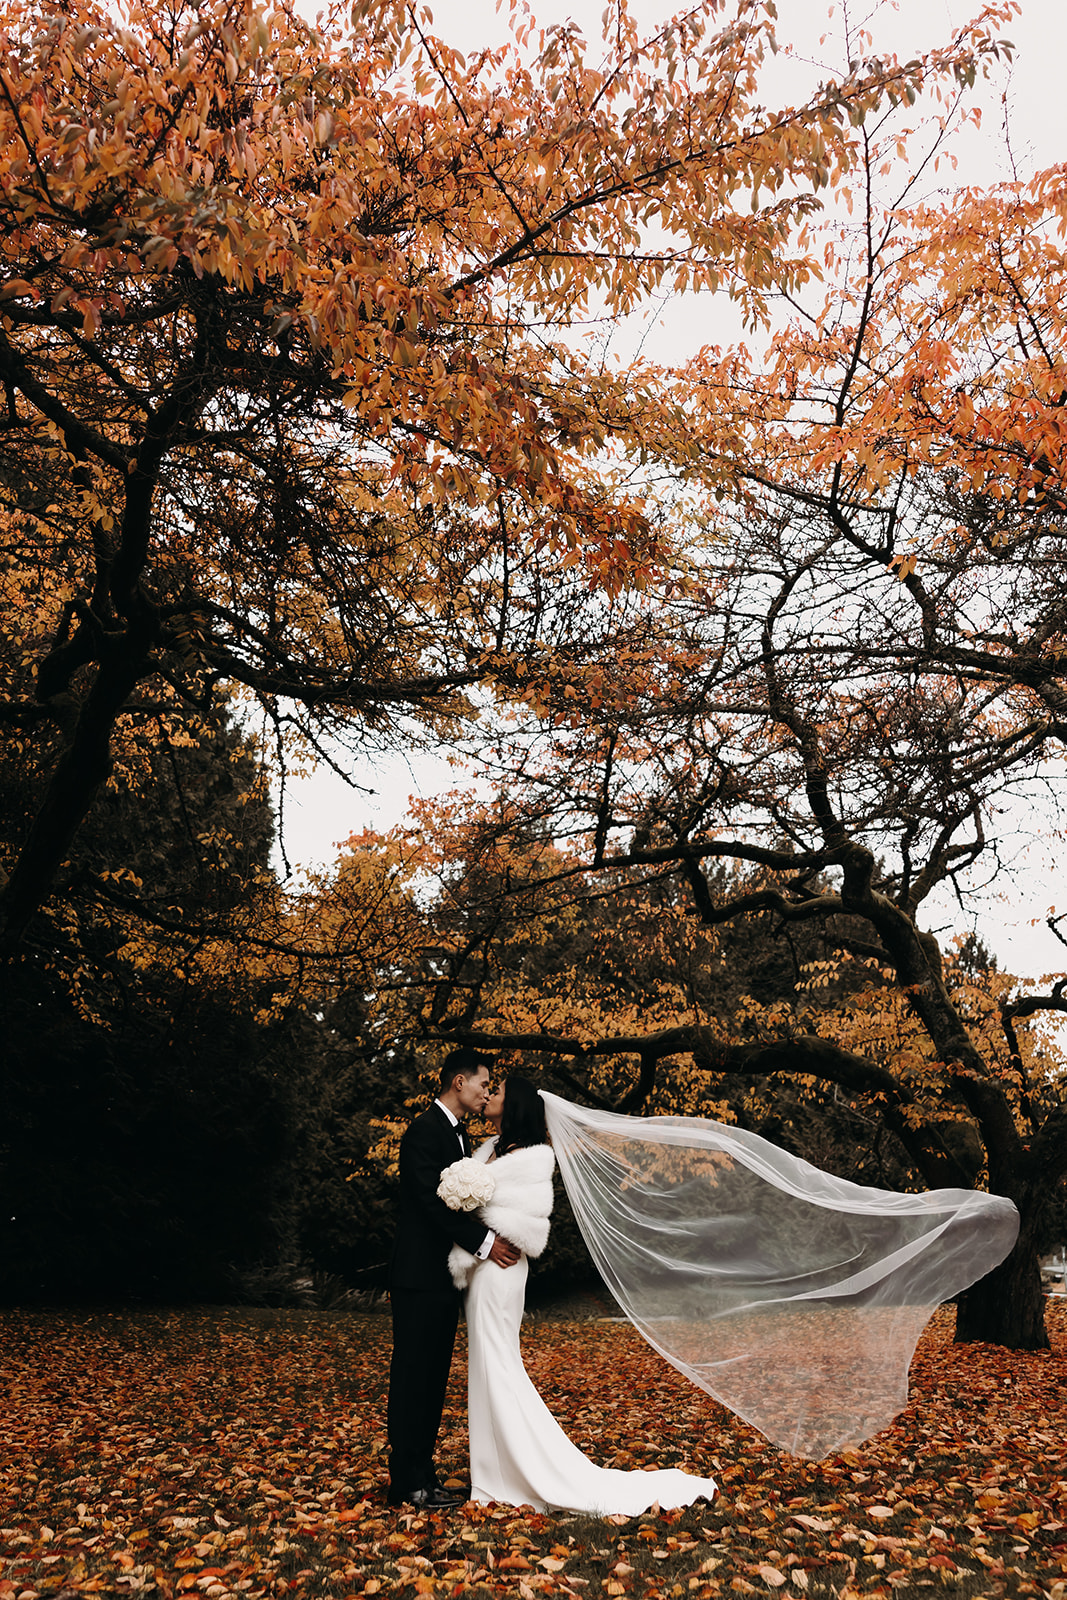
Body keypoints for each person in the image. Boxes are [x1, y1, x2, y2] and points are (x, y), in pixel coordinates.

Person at [445, 1075, 718, 1515]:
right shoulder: (487, 1151)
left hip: (501, 1269)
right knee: (485, 1364)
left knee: (499, 1363)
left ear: (513, 1105)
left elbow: (512, 1215)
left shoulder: (531, 1158)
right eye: (488, 1087)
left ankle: (526, 1472)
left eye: (497, 1091)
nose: (489, 1094)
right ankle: (494, 1472)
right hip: (480, 1270)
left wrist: (467, 1208)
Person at [386, 1048, 521, 1509]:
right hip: (418, 1277)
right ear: (459, 1081)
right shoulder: (424, 1131)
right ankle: (405, 1483)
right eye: (484, 1083)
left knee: (433, 1380)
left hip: (444, 1280)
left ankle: (425, 1476)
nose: (487, 1092)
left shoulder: (461, 1137)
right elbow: (430, 1202)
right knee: (412, 1379)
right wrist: (486, 1244)